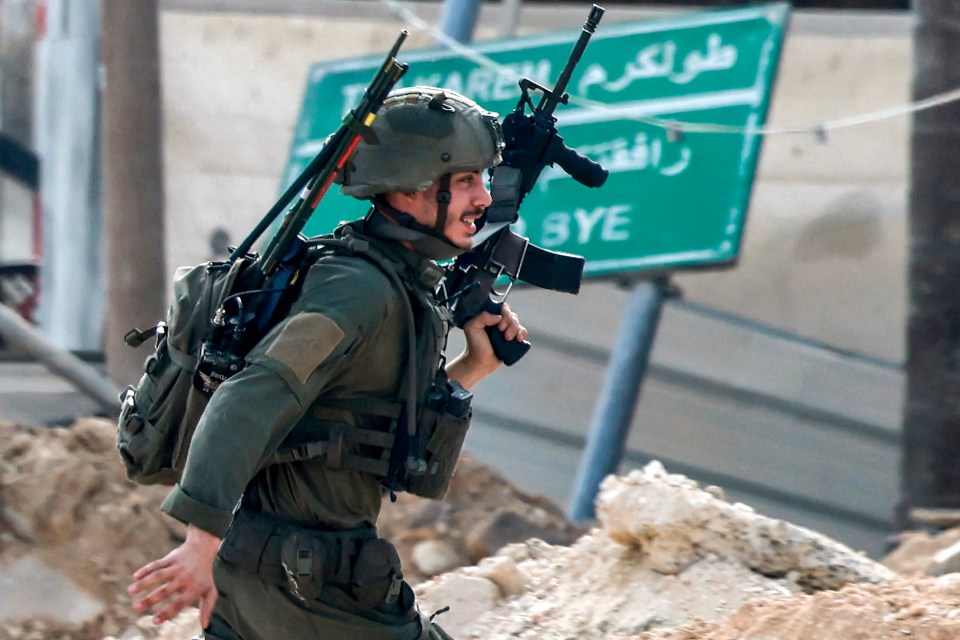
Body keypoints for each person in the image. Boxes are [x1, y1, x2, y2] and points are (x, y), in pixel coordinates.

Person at [126, 86, 527, 639]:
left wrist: (471, 369)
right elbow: (249, 395)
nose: (484, 198)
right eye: (463, 181)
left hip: (269, 574)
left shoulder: (395, 280)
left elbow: (373, 429)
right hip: (314, 585)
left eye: (482, 179)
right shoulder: (358, 290)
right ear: (408, 186)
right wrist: (201, 543)